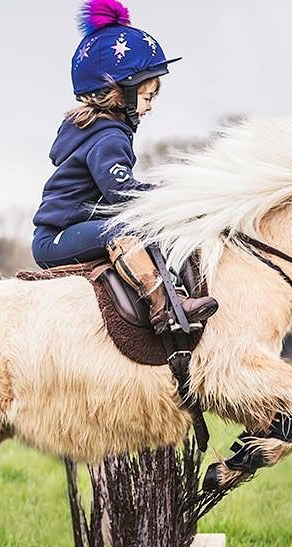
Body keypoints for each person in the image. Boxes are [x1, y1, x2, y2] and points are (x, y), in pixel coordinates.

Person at [31, 0, 218, 334]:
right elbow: (121, 194)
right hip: (56, 239)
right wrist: (171, 198)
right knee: (127, 231)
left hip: (69, 230)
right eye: (147, 97)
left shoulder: (98, 131)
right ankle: (167, 305)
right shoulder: (109, 138)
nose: (149, 107)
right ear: (119, 93)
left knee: (141, 226)